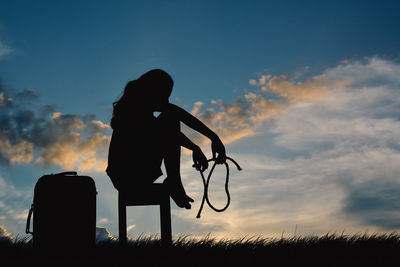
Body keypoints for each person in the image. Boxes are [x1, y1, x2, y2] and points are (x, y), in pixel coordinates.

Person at [106, 69, 226, 209]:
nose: (167, 100)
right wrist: (203, 142)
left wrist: (205, 142)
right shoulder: (133, 113)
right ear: (152, 92)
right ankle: (174, 182)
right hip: (129, 177)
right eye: (165, 95)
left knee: (170, 118)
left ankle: (174, 182)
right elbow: (169, 128)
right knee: (171, 118)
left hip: (129, 175)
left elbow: (165, 133)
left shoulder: (136, 111)